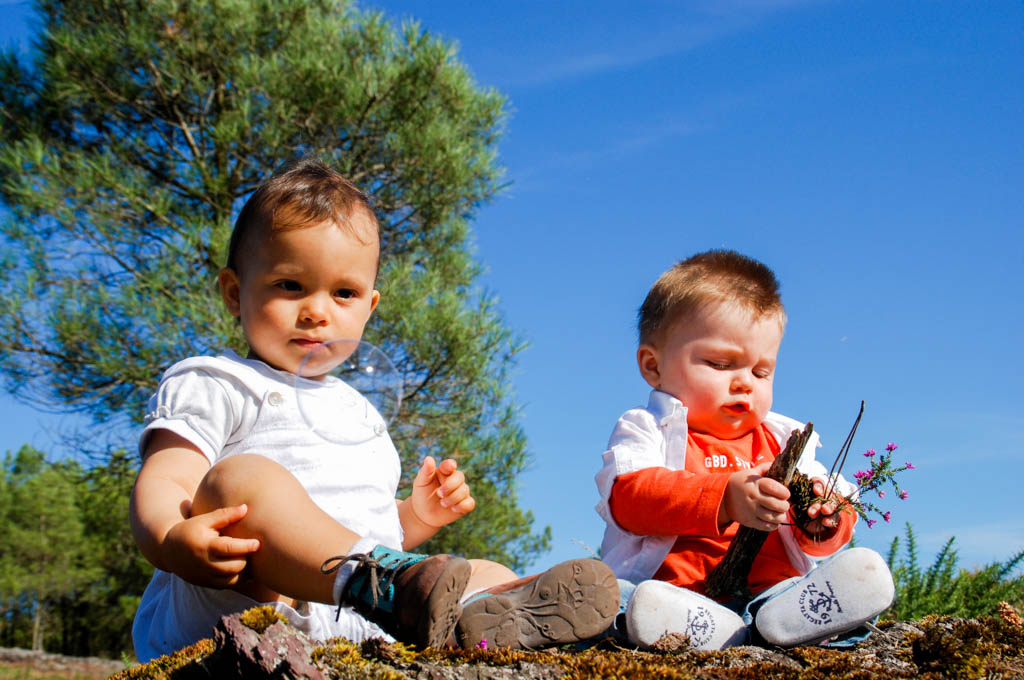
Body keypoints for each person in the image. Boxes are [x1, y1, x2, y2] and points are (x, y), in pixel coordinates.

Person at [130, 158, 618, 662]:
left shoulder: (359, 412)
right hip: (247, 601)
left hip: (361, 620)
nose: (318, 311)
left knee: (483, 571)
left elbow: (362, 524)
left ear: (370, 306)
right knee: (241, 482)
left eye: (344, 293)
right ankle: (391, 588)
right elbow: (166, 480)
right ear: (235, 292)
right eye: (290, 285)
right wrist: (171, 539)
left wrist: (415, 518)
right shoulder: (217, 381)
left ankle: (481, 623)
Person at [594, 250, 894, 650]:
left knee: (794, 594)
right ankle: (705, 627)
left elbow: (820, 523)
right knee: (625, 600)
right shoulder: (647, 427)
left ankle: (791, 619)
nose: (744, 384)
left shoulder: (783, 439)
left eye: (761, 371)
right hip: (674, 592)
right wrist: (724, 498)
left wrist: (822, 520)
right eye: (720, 364)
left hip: (770, 593)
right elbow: (629, 500)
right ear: (653, 366)